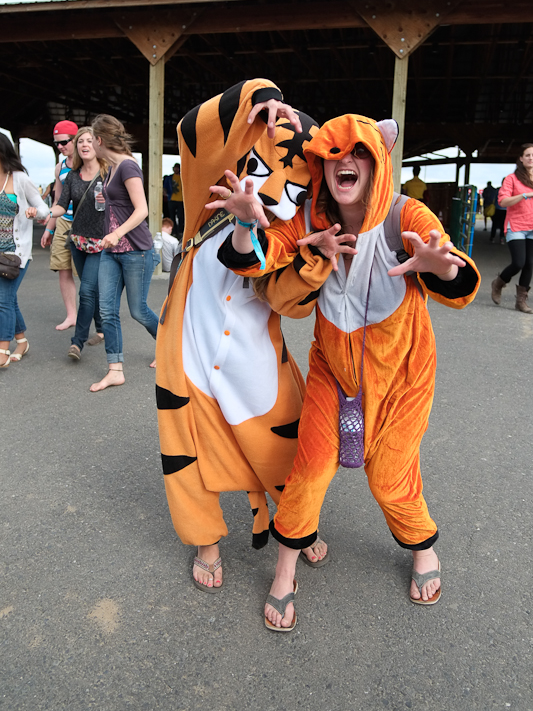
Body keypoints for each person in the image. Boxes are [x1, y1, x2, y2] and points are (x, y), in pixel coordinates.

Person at [215, 111, 480, 631]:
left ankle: (422, 546)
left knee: (389, 478)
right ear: (321, 164)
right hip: (332, 368)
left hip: (404, 375)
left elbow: (450, 268)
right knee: (310, 467)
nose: (346, 160)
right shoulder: (311, 217)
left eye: (359, 151)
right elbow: (257, 258)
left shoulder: (406, 213)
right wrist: (246, 224)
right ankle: (285, 571)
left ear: (378, 160)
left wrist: (440, 265)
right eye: (334, 153)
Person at [156, 79, 327, 593]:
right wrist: (256, 95)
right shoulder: (206, 192)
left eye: (293, 189)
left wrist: (315, 262)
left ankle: (296, 520)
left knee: (283, 442)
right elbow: (191, 128)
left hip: (256, 354)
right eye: (262, 169)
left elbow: (287, 304)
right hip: (189, 347)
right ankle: (205, 541)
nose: (270, 194)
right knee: (186, 448)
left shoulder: (292, 230)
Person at [89, 114, 160, 392]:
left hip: (135, 251)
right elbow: (121, 206)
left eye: (90, 140)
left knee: (138, 311)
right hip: (111, 251)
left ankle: (169, 347)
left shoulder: (128, 166)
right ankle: (115, 370)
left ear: (99, 139)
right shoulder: (111, 168)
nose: (89, 145)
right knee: (107, 311)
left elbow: (142, 210)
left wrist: (116, 233)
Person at [47, 127, 107, 360]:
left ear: (97, 144)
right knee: (91, 289)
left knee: (86, 290)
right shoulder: (72, 176)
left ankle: (77, 342)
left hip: (100, 242)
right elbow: (62, 205)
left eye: (88, 141)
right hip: (78, 240)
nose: (84, 145)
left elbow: (122, 204)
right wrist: (45, 214)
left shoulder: (108, 173)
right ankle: (101, 328)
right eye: (80, 141)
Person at [0, 133, 50, 367]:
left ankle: (2, 348)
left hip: (15, 253)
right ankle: (21, 342)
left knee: (3, 300)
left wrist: (34, 212)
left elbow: (44, 209)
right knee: (8, 298)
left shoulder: (19, 178)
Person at [41, 120, 79, 330]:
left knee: (87, 273)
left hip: (85, 222)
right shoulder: (60, 167)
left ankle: (100, 319)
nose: (60, 147)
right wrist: (49, 228)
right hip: (64, 221)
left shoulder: (89, 162)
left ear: (75, 139)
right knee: (62, 268)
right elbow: (57, 200)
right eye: (56, 143)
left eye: (64, 142)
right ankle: (71, 315)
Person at [491, 144, 533, 312]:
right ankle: (499, 282)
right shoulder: (512, 179)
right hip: (516, 226)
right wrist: (524, 195)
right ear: (521, 159)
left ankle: (521, 301)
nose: (531, 158)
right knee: (518, 262)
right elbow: (502, 201)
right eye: (527, 155)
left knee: (530, 263)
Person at [164, 162, 184, 238]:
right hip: (171, 199)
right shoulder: (169, 178)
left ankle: (180, 231)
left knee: (181, 217)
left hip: (181, 200)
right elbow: (164, 187)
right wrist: (165, 194)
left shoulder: (183, 177)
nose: (176, 169)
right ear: (173, 169)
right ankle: (174, 232)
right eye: (175, 168)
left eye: (178, 168)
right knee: (172, 217)